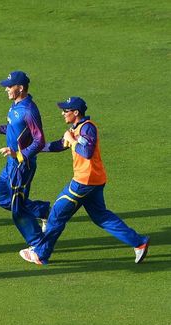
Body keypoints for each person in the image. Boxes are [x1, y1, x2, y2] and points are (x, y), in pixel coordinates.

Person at [19, 96, 149, 265]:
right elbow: (59, 145)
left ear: (76, 112)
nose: (62, 113)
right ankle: (139, 243)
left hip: (84, 181)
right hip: (94, 181)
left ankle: (40, 253)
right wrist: (34, 148)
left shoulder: (87, 129)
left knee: (56, 214)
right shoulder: (77, 127)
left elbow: (86, 152)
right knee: (101, 217)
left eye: (66, 111)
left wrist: (72, 139)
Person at [0, 70, 50, 247]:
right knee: (1, 197)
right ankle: (42, 210)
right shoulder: (16, 106)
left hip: (22, 165)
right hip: (11, 163)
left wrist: (19, 155)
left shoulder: (28, 110)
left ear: (20, 88)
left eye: (9, 86)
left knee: (17, 208)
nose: (6, 89)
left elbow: (39, 140)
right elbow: (14, 128)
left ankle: (38, 243)